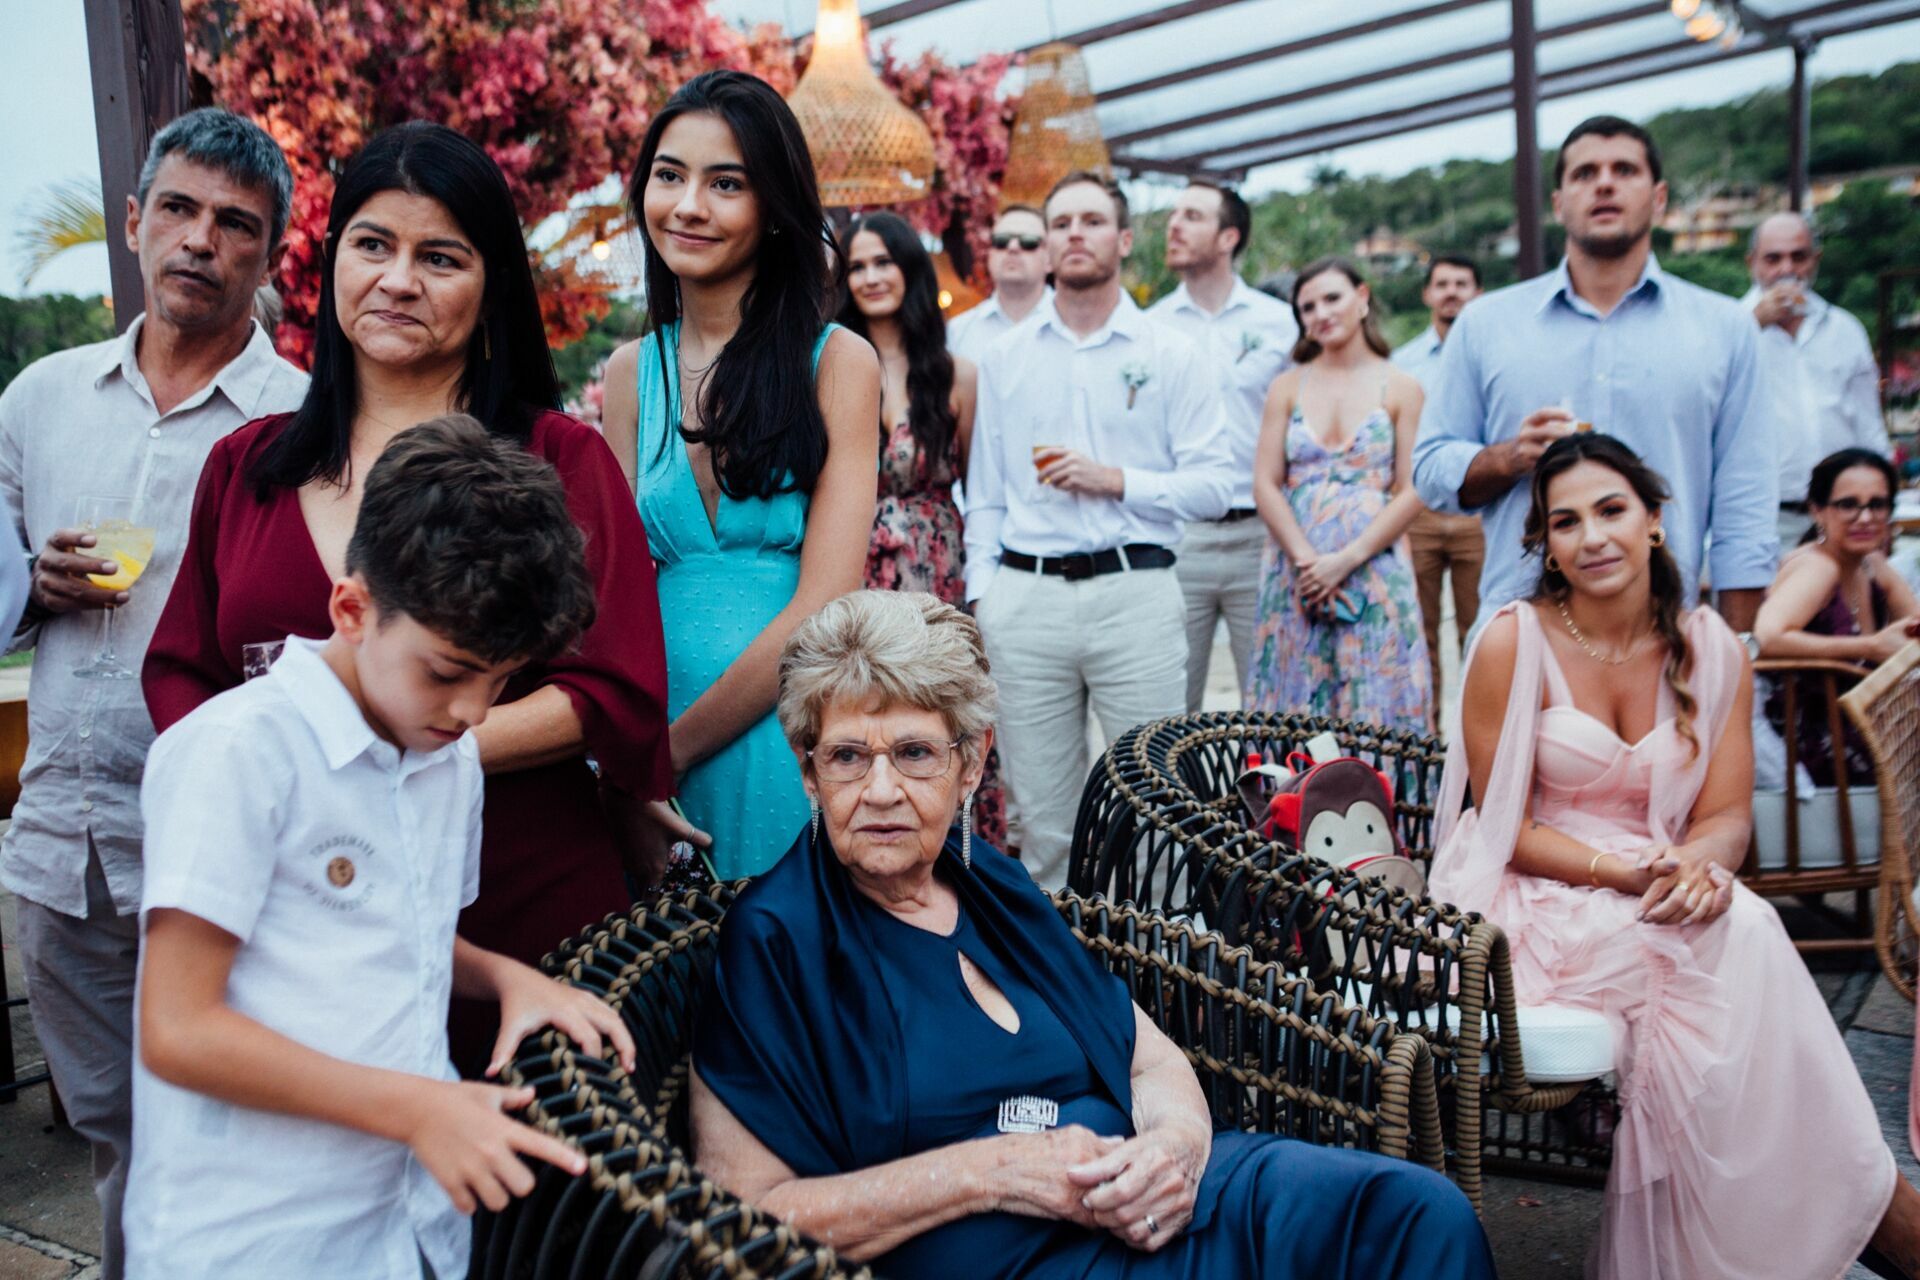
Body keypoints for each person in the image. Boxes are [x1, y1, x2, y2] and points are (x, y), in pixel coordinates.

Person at [690, 589, 1496, 1280]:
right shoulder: (777, 940)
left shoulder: (990, 885)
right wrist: (994, 1172)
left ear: (971, 764)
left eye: (914, 753)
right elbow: (746, 1214)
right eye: (846, 757)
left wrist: (1174, 1149)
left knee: (1416, 1215)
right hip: (1021, 1261)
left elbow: (1150, 1059)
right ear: (809, 771)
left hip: (1157, 1211)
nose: (880, 789)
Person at [142, 122, 674, 1073]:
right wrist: (269, 781)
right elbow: (185, 671)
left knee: (536, 1155)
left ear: (492, 284)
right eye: (373, 245)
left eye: (440, 258)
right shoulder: (245, 466)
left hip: (522, 898)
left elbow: (614, 688)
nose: (397, 280)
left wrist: (396, 749)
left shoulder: (559, 458)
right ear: (332, 261)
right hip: (299, 900)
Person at [125, 417, 636, 1280]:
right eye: (447, 671)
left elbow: (400, 928)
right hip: (250, 1234)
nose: (474, 711)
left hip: (403, 1225)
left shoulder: (448, 757)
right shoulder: (235, 752)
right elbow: (177, 1029)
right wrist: (419, 1111)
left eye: (501, 680)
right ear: (352, 609)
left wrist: (507, 977)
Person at [1430, 432, 1920, 1280]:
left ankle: (1789, 1229)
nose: (1593, 537)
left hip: (1658, 876)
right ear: (1545, 543)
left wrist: (1699, 864)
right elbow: (1502, 828)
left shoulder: (1710, 645)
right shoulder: (1514, 640)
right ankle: (1881, 1221)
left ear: (1653, 519)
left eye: (1611, 510)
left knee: (1737, 925)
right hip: (1532, 882)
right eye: (1566, 522)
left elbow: (1726, 815)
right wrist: (1624, 873)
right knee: (1736, 949)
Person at [0, 108, 300, 1279]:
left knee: (237, 1136)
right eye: (176, 208)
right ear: (133, 221)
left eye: (235, 224)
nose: (199, 240)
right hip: (63, 844)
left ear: (269, 254)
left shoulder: (301, 421)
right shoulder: (41, 398)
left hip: (230, 850)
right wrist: (31, 584)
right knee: (116, 1132)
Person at [601, 71, 879, 880]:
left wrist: (671, 753)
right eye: (670, 175)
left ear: (774, 207)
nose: (688, 206)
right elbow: (613, 586)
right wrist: (629, 760)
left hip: (785, 725)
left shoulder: (838, 362)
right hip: (648, 729)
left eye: (726, 183)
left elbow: (827, 598)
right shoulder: (630, 372)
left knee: (786, 942)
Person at [965, 171, 1233, 887]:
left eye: (1091, 221)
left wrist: (1117, 480)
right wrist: (986, 598)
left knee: (1155, 804)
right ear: (1049, 244)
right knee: (1041, 819)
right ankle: (1059, 951)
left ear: (1124, 239)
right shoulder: (1005, 357)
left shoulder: (1171, 350)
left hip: (1135, 590)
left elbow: (1216, 486)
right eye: (1061, 224)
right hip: (1027, 596)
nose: (1074, 234)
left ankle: (1157, 953)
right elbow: (984, 494)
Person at [1413, 115, 1776, 638]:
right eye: (1585, 174)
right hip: (1521, 636)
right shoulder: (1486, 324)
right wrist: (1509, 457)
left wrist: (1737, 648)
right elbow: (1429, 469)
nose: (1604, 184)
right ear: (1559, 204)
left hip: (1663, 633)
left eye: (1624, 170)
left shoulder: (1725, 329)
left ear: (1659, 198)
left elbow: (1745, 506)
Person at [836, 210, 1006, 850]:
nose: (871, 277)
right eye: (857, 266)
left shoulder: (956, 373)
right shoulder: (828, 367)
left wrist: (981, 591)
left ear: (910, 269)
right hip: (853, 566)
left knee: (941, 714)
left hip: (939, 572)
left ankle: (960, 862)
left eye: (883, 262)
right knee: (863, 713)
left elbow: (982, 491)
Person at [1245, 258, 1430, 734]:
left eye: (1332, 298)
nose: (1321, 314)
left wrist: (1346, 560)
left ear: (1362, 297)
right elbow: (1265, 482)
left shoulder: (1402, 387)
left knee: (1376, 696)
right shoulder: (1287, 386)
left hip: (1372, 566)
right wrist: (1308, 564)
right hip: (1295, 571)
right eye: (1307, 307)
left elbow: (1413, 489)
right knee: (1294, 702)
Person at [1149, 181, 1297, 710]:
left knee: (1272, 701)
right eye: (1173, 215)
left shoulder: (1279, 322)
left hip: (1260, 536)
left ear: (1228, 236)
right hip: (1178, 538)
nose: (1174, 225)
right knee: (1172, 706)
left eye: (1192, 216)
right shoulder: (1151, 327)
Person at [1753, 448, 1918, 785]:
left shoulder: (1871, 565)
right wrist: (1871, 647)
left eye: (1877, 504)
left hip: (1864, 732)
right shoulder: (1817, 567)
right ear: (1817, 510)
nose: (1865, 517)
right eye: (1848, 505)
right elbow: (1767, 637)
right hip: (1814, 748)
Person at [1743, 212, 1890, 544]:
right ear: (1752, 263)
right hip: (1762, 517)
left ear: (1815, 260)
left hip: (1842, 515)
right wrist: (1753, 324)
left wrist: (1883, 510)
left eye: (1798, 257)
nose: (1787, 269)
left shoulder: (1844, 329)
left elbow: (1869, 427)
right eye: (1773, 259)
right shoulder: (1731, 327)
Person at [1393, 255, 1485, 701]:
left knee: (1481, 632)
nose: (1451, 292)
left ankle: (1478, 733)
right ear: (1428, 294)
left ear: (1478, 293)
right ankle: (1426, 735)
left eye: (1461, 284)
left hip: (1478, 512)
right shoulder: (1403, 363)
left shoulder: (1491, 356)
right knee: (1418, 635)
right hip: (1419, 512)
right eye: (1442, 284)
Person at [945, 204, 1052, 362]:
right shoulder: (957, 333)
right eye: (1001, 241)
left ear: (1050, 259)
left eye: (1028, 242)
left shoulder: (1076, 326)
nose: (1012, 247)